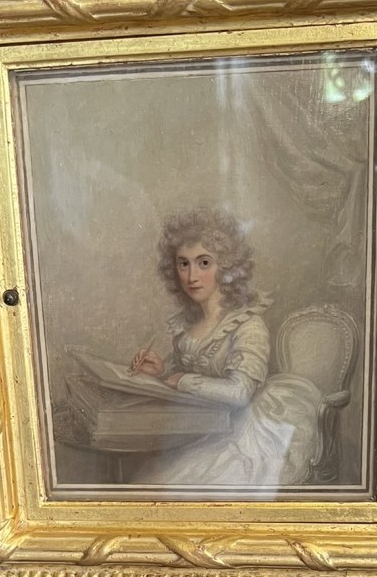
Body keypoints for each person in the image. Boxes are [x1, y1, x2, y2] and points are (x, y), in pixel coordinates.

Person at [128, 209, 321, 489]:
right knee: (146, 480)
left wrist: (181, 380)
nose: (192, 276)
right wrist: (162, 372)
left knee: (162, 485)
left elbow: (240, 393)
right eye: (183, 264)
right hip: (203, 426)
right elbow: (188, 373)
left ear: (227, 266)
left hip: (243, 436)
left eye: (204, 263)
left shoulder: (248, 325)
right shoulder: (188, 325)